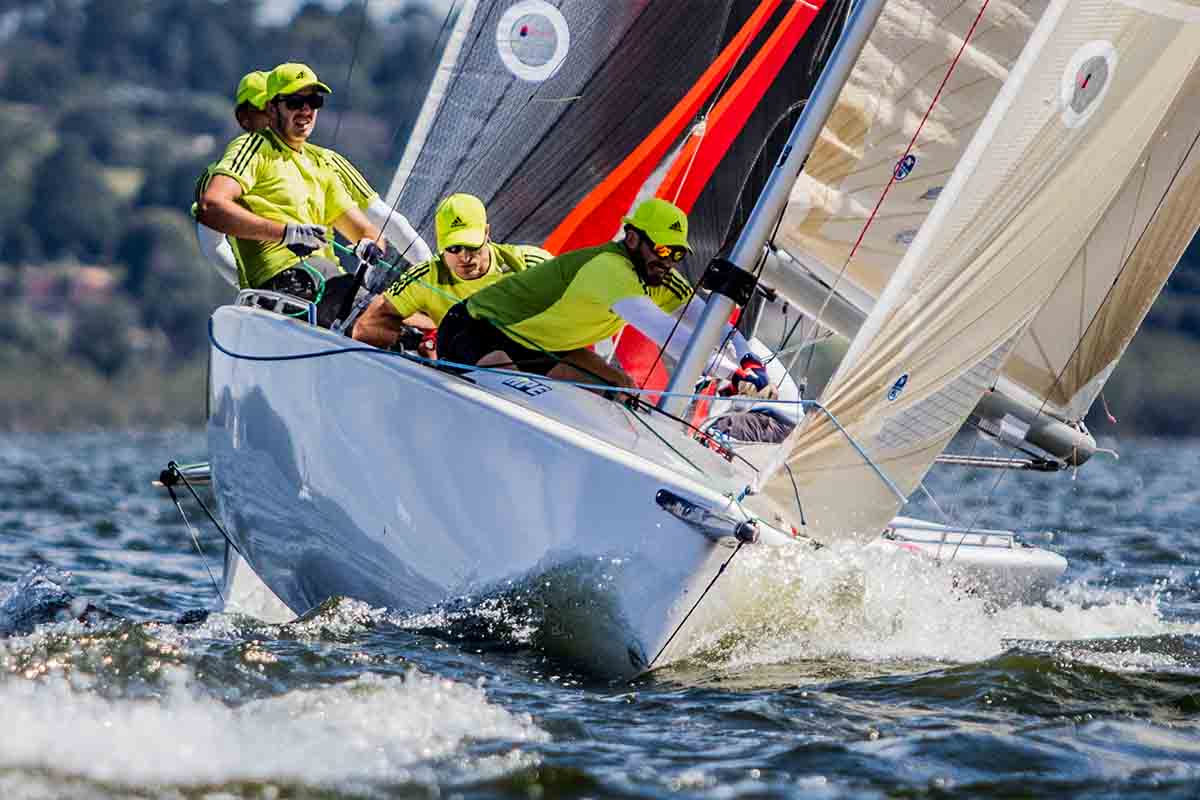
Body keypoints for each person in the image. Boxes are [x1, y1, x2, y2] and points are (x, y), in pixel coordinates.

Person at [438, 197, 768, 395]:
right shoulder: (609, 269)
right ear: (633, 238)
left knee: (622, 391)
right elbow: (671, 337)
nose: (667, 262)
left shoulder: (659, 274)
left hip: (541, 345)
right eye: (663, 249)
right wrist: (733, 376)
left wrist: (748, 360)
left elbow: (712, 324)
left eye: (677, 254)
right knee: (507, 383)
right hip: (475, 328)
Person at [196, 62, 391, 300]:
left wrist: (369, 245)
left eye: (314, 102)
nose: (306, 110)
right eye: (294, 103)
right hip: (294, 281)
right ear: (270, 108)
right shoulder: (252, 148)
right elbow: (210, 209)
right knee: (381, 318)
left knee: (407, 321)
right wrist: (286, 234)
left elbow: (369, 230)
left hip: (329, 281)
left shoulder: (320, 164)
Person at [352, 193, 549, 357]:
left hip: (540, 356)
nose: (464, 257)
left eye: (472, 245)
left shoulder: (529, 263)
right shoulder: (425, 277)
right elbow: (367, 327)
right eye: (454, 248)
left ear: (487, 232)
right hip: (480, 369)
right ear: (440, 241)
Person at [192, 70, 271, 288]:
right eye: (264, 109)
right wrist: (250, 287)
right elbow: (212, 244)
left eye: (280, 107)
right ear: (244, 119)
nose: (274, 117)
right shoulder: (219, 175)